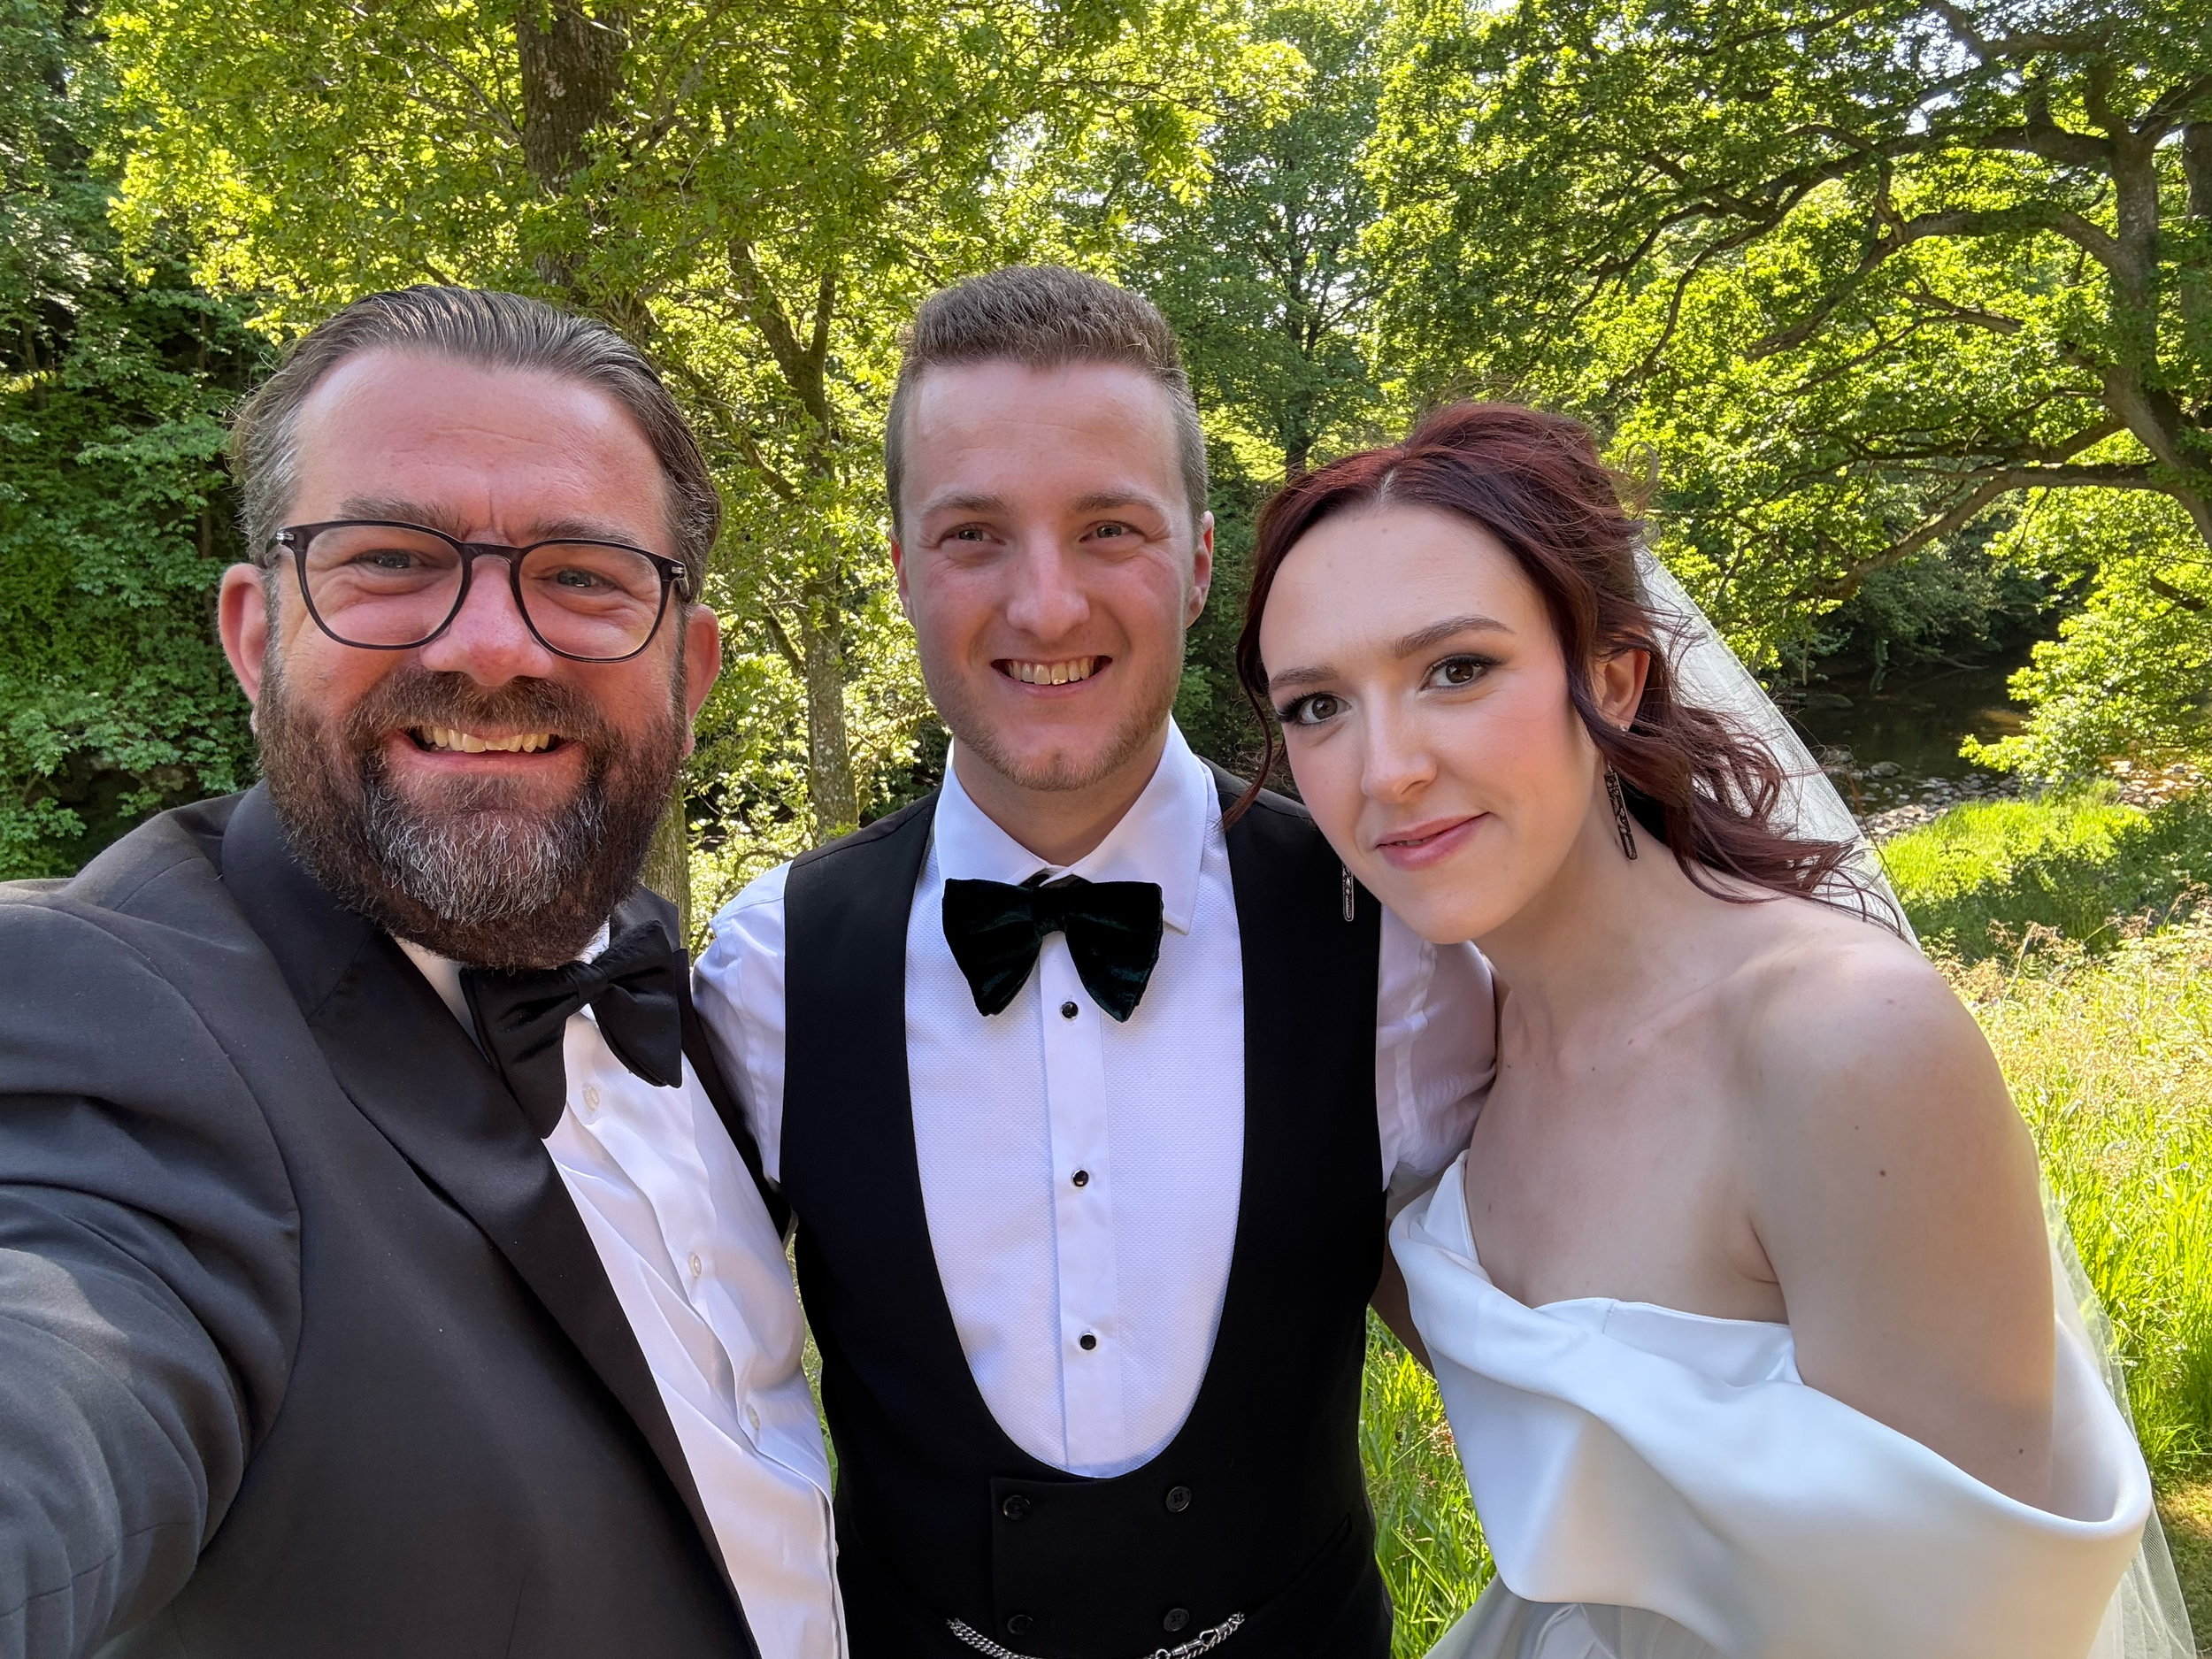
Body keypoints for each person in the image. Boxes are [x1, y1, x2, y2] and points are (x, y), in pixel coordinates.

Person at [1237, 401, 2185, 1659]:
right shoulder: (1447, 1040)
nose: (1386, 768)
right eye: (1317, 706)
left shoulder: (1842, 1045)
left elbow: (1978, 1623)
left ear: (1615, 677)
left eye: (1456, 669)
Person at [0, 287, 843, 1659]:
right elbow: (69, 1365)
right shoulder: (112, 1024)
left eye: (582, 574)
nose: (491, 644)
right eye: (390, 557)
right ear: (254, 633)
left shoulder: (689, 997)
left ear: (689, 672)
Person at [694, 265, 1494, 1658]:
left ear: (1194, 560)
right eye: (974, 535)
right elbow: (701, 1405)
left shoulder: (1395, 941)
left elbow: (1530, 1349)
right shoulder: (766, 966)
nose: (1047, 604)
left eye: (1108, 527)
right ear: (899, 569)